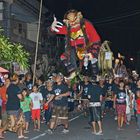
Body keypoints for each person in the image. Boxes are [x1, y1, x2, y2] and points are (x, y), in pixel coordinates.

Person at [50, 9, 101, 78]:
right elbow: (55, 31)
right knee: (63, 57)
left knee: (91, 58)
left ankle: (96, 74)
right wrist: (52, 27)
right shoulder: (68, 29)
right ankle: (72, 71)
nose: (73, 22)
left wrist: (94, 50)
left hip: (86, 46)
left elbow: (95, 38)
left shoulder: (86, 24)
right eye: (70, 21)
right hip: (74, 48)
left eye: (74, 19)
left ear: (78, 17)